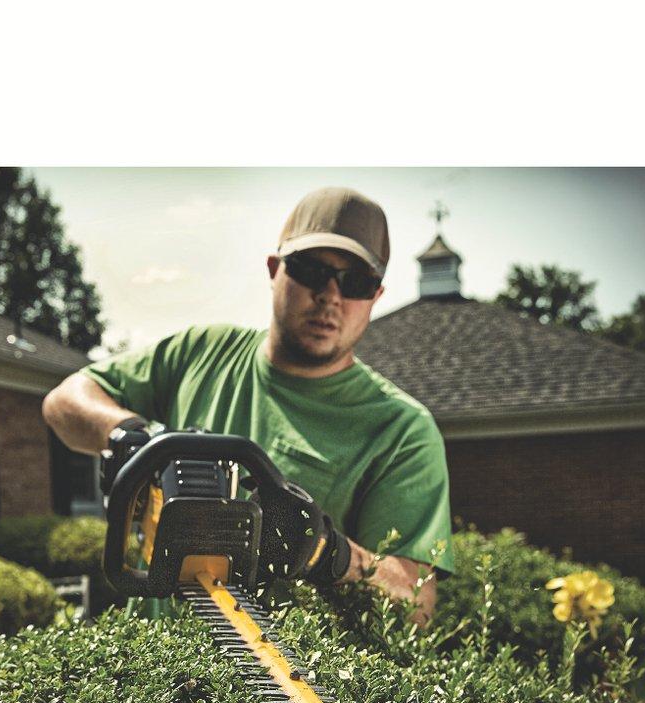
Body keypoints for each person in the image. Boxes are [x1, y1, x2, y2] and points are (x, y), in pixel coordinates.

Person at [43, 187, 455, 623]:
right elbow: (64, 400)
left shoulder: (401, 430)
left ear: (375, 295)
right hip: (148, 657)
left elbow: (417, 606)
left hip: (280, 667)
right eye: (312, 270)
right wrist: (132, 438)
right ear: (275, 269)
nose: (330, 295)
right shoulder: (201, 352)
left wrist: (327, 552)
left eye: (355, 282)